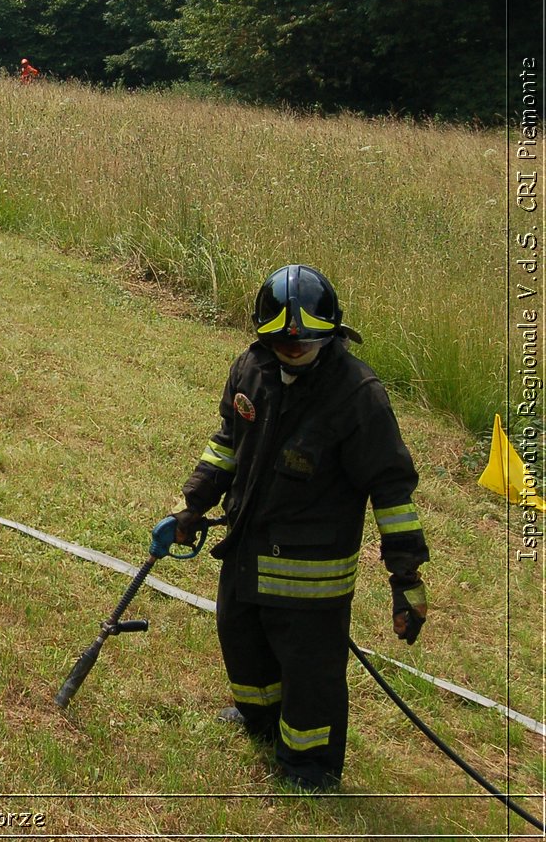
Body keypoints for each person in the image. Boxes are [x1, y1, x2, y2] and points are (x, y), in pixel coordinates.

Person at [159, 264, 429, 792]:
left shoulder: (357, 396)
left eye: (304, 344)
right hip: (246, 552)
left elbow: (392, 494)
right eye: (282, 344)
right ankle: (260, 721)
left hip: (312, 575)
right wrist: (195, 504)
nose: (293, 351)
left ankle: (310, 766)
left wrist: (406, 579)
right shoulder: (250, 370)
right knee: (242, 641)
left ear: (331, 334)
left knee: (310, 674)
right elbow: (227, 444)